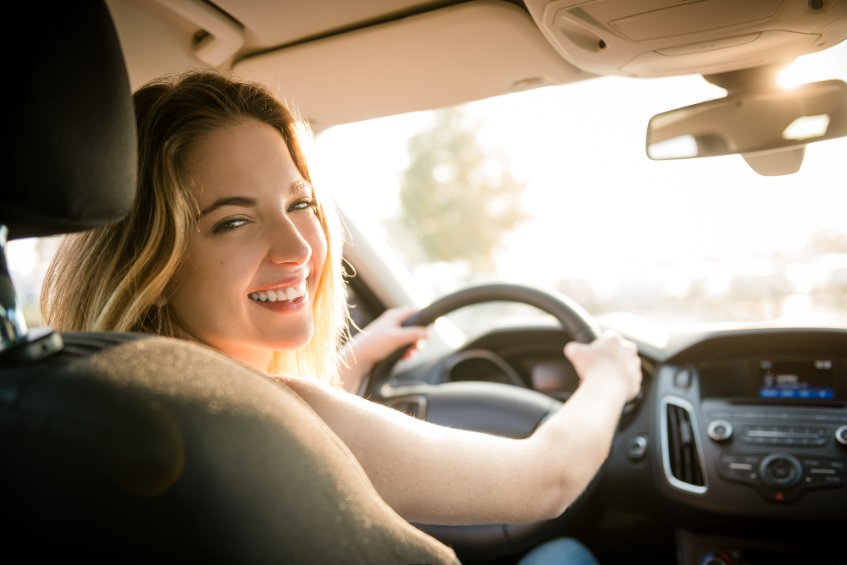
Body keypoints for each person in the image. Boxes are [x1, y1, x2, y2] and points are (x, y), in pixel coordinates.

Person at [41, 70, 640, 561]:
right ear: (154, 264)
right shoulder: (280, 417)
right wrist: (610, 377)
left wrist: (351, 364)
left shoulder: (94, 410)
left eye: (300, 203)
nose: (298, 248)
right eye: (233, 221)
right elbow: (548, 479)